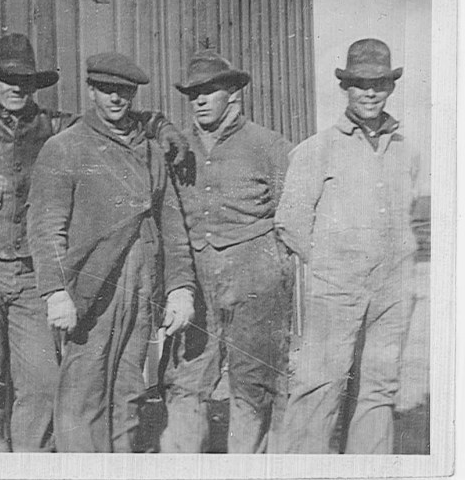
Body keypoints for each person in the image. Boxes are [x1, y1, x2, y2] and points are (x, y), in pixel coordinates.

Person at [0, 34, 187, 452]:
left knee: (43, 383)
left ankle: (33, 468)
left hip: (31, 274)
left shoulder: (53, 126)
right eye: (7, 80)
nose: (16, 88)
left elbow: (118, 118)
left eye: (25, 81)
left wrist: (162, 126)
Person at [27, 52, 196, 452]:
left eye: (124, 91)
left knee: (129, 389)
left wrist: (180, 288)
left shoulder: (152, 151)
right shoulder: (65, 147)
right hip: (90, 290)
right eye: (106, 90)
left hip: (141, 286)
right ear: (90, 90)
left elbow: (171, 224)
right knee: (82, 392)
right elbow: (46, 226)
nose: (116, 99)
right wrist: (55, 292)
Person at [275, 38, 420, 454]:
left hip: (392, 291)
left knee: (378, 388)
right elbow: (290, 221)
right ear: (346, 88)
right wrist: (330, 267)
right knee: (321, 384)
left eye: (379, 84)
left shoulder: (405, 151)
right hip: (335, 290)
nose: (370, 93)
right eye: (360, 84)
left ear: (390, 87)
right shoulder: (317, 150)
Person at [159, 50, 294, 453]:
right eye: (193, 94)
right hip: (197, 280)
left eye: (208, 92)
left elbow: (295, 213)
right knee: (186, 381)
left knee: (253, 384)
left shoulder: (269, 146)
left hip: (256, 278)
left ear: (233, 95)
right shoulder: (179, 149)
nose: (199, 100)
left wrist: (275, 266)